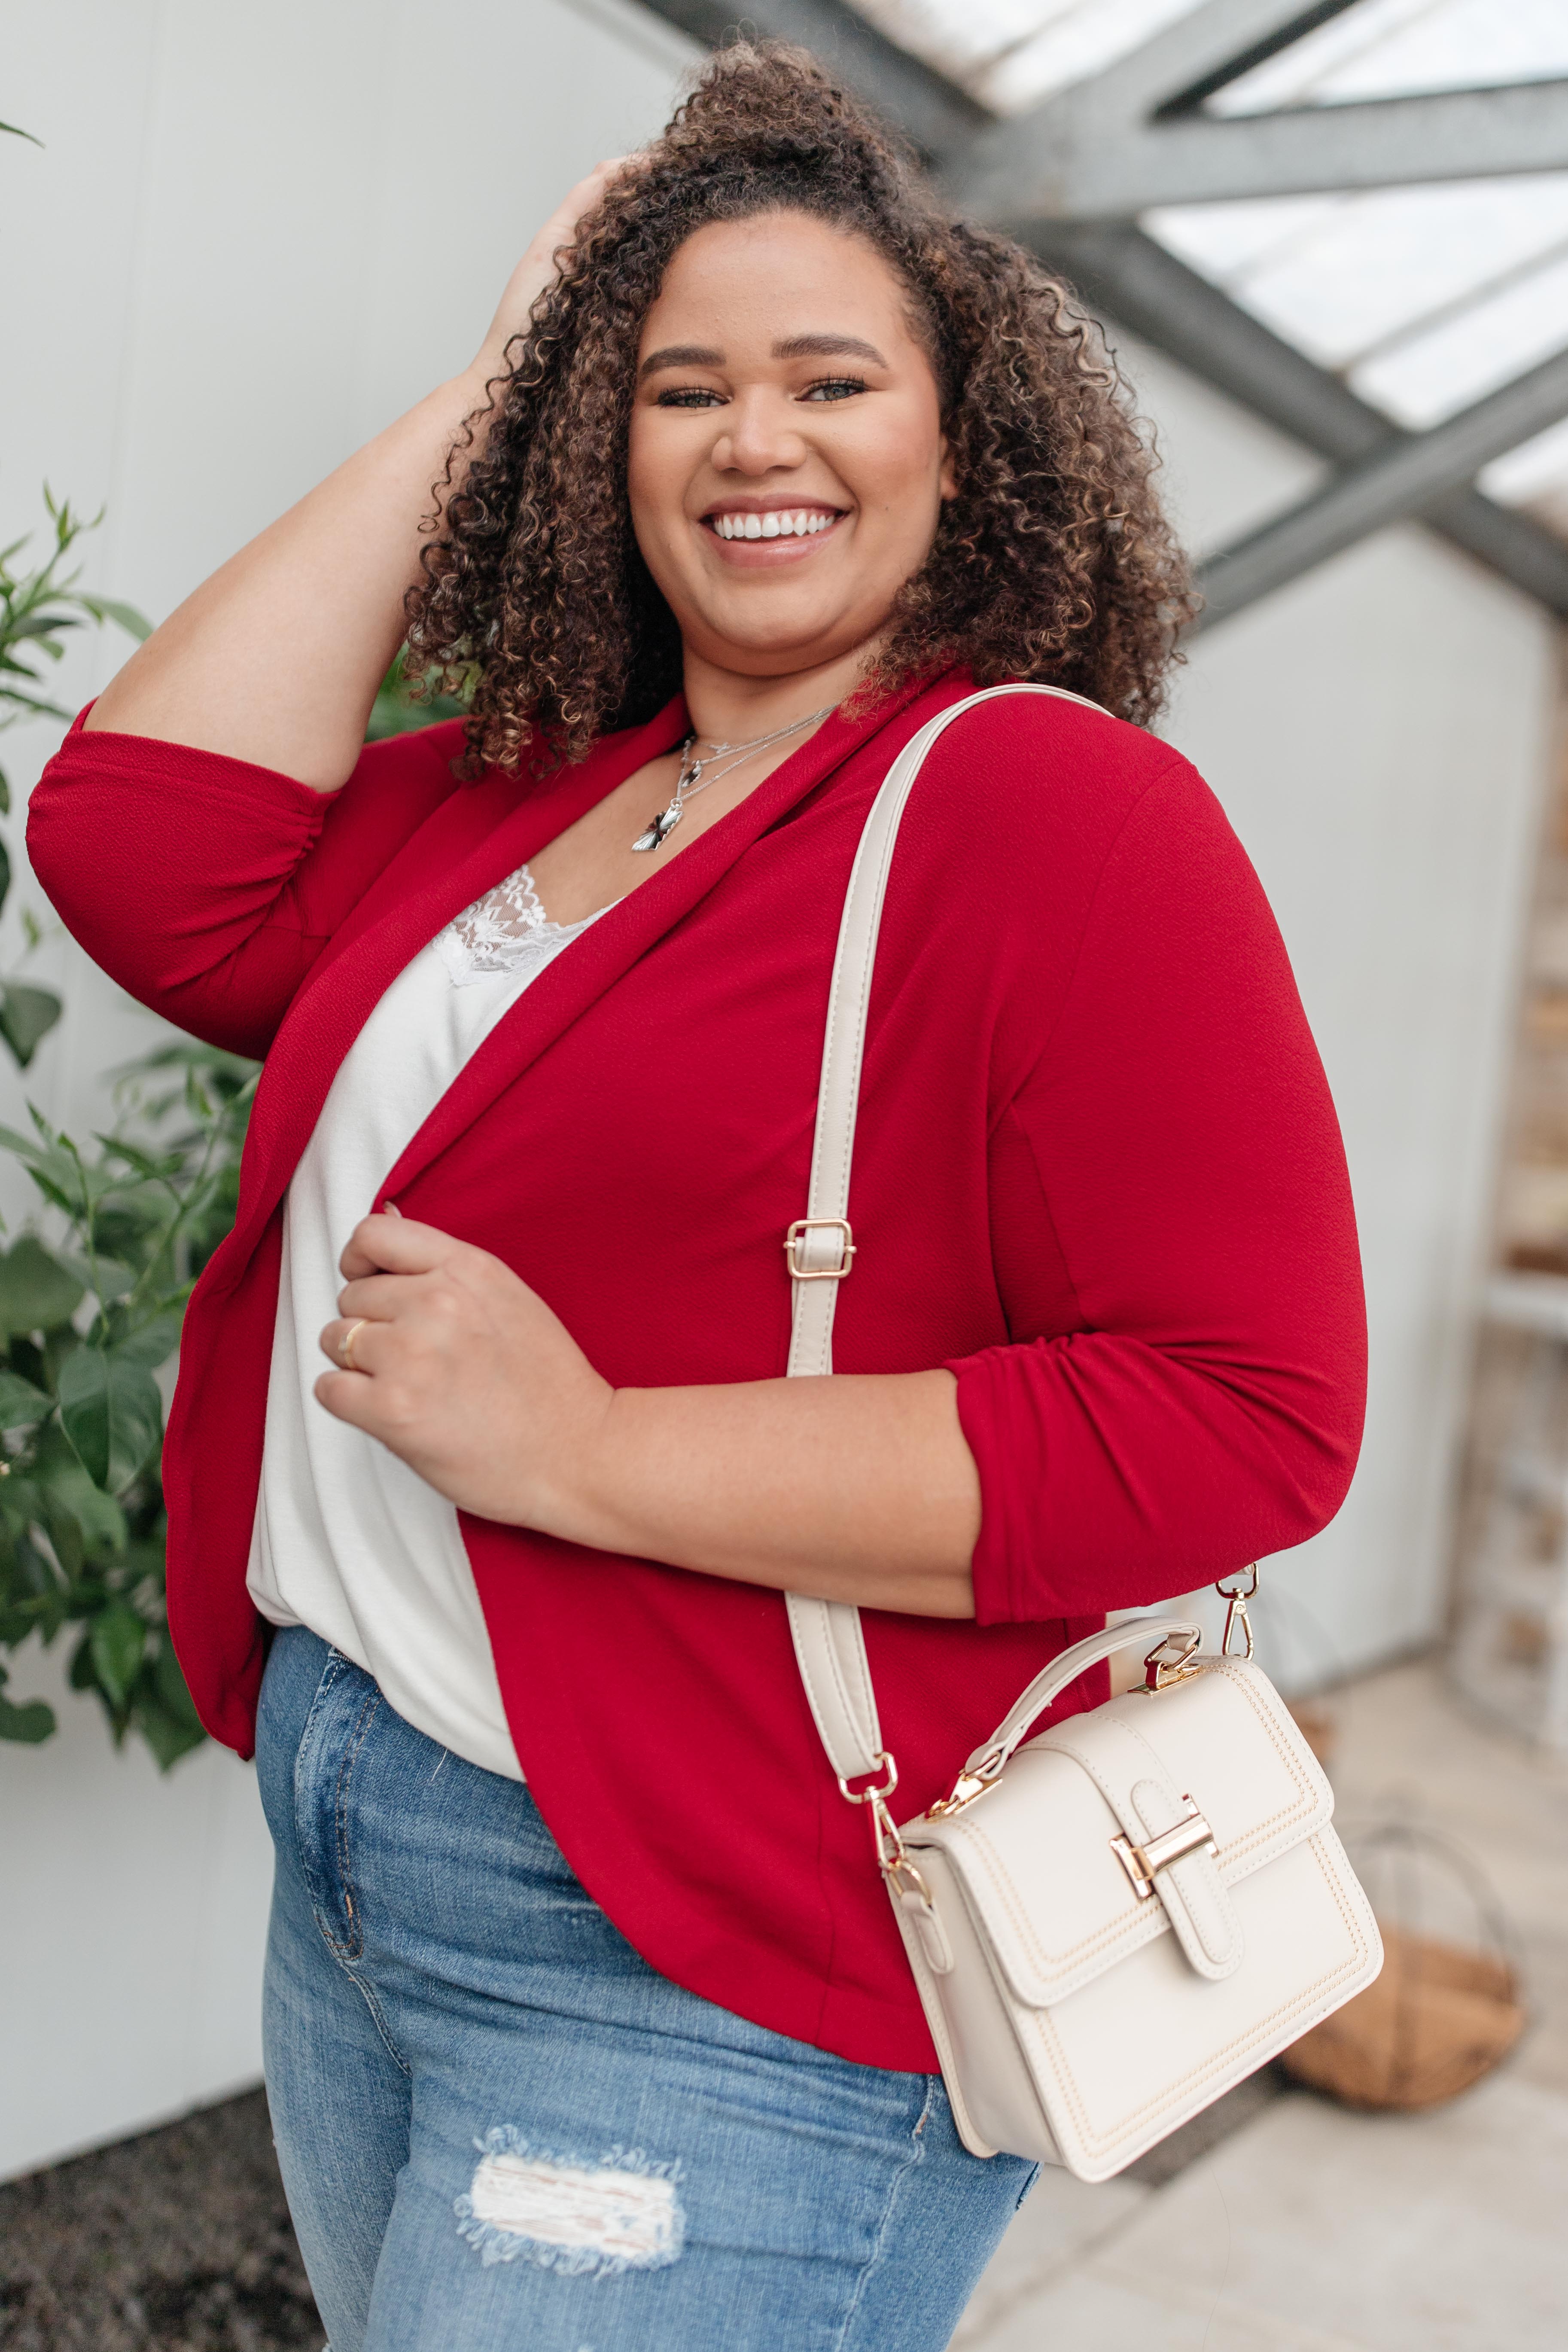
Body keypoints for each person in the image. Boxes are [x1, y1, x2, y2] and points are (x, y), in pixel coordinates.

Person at [29, 43, 1365, 2352]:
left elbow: (1244, 1414)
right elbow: (142, 849)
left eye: (830, 381)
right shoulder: (537, 791)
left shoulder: (1048, 815)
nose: (756, 438)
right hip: (362, 1840)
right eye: (677, 389)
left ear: (963, 444)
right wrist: (506, 365)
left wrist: (589, 1448)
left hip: (709, 1944)